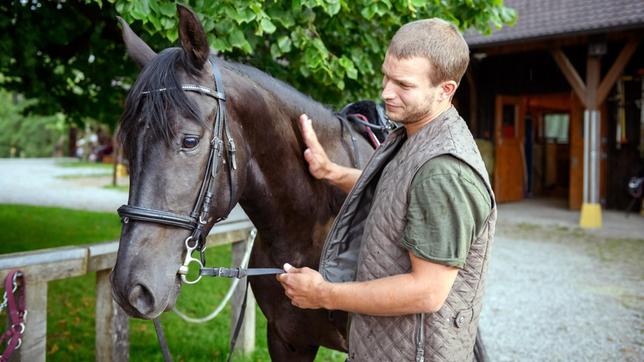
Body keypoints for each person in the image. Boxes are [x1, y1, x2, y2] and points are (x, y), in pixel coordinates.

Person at [277, 18, 496, 361]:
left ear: (446, 89)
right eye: (386, 76)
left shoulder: (445, 172)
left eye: (403, 84)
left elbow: (427, 292)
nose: (385, 92)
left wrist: (324, 294)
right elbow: (396, 191)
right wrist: (330, 171)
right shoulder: (415, 134)